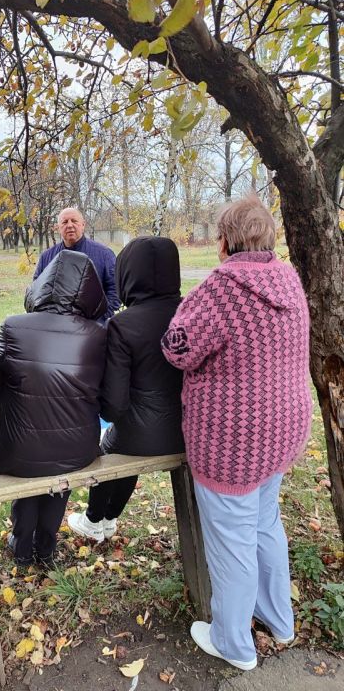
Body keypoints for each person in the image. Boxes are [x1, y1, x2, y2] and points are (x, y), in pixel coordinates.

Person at [161, 196, 312, 671]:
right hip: (283, 431)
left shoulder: (221, 289)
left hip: (234, 442)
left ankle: (234, 643)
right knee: (266, 524)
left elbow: (177, 349)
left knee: (232, 541)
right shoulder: (289, 280)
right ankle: (279, 620)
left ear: (223, 241)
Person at [0, 250, 107, 566]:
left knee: (29, 475)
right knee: (58, 482)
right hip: (76, 448)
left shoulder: (13, 326)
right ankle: (46, 546)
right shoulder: (98, 334)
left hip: (20, 447)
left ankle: (22, 544)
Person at [68, 236, 185, 543]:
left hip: (143, 435)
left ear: (127, 275)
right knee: (123, 442)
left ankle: (96, 519)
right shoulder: (192, 313)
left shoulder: (124, 325)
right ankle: (109, 519)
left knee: (112, 446)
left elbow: (115, 404)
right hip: (192, 431)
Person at [34, 207, 120, 320]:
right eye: (64, 222)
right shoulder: (47, 257)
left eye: (74, 221)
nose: (69, 225)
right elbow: (37, 292)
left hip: (93, 328)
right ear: (58, 228)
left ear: (83, 225)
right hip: (57, 326)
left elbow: (115, 289)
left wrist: (101, 318)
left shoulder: (104, 254)